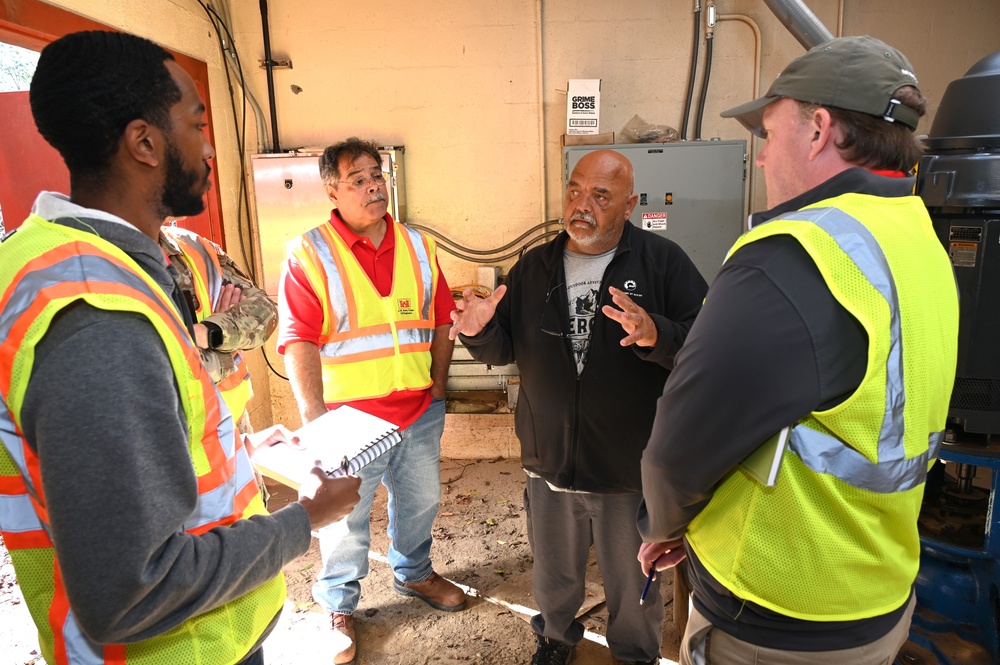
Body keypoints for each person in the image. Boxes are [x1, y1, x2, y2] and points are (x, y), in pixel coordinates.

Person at [0, 30, 361, 665]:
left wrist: (239, 445)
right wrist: (305, 520)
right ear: (144, 142)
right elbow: (131, 591)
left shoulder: (66, 263)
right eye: (197, 122)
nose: (210, 144)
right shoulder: (95, 315)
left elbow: (122, 453)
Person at [637, 35, 959, 665]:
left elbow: (680, 451)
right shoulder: (917, 236)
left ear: (818, 129)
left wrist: (660, 526)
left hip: (776, 611)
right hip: (877, 588)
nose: (760, 158)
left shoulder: (794, 257)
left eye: (768, 132)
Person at [450, 149, 707, 665]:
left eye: (600, 195)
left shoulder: (663, 261)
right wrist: (478, 333)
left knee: (632, 574)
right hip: (549, 460)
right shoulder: (535, 266)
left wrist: (657, 334)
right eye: (574, 190)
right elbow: (506, 350)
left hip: (629, 466)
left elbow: (704, 347)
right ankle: (556, 635)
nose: (581, 204)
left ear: (630, 204)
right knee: (553, 570)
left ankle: (635, 652)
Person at [277, 137, 464, 664]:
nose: (373, 186)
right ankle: (338, 604)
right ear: (331, 190)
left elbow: (444, 319)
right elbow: (298, 341)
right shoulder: (309, 253)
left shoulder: (418, 245)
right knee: (344, 519)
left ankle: (415, 573)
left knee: (421, 500)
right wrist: (317, 425)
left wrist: (439, 390)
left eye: (377, 176)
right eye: (357, 179)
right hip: (349, 421)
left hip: (418, 412)